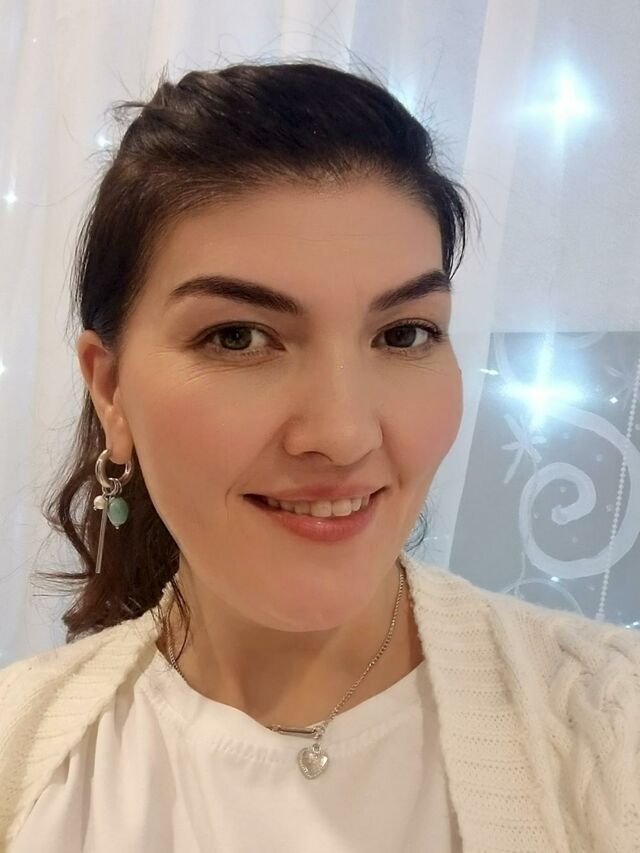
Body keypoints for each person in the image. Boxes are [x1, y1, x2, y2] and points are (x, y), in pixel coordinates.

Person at [0, 59, 638, 853]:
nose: (343, 434)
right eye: (238, 336)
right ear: (111, 390)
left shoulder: (613, 727)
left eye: (403, 333)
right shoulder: (21, 760)